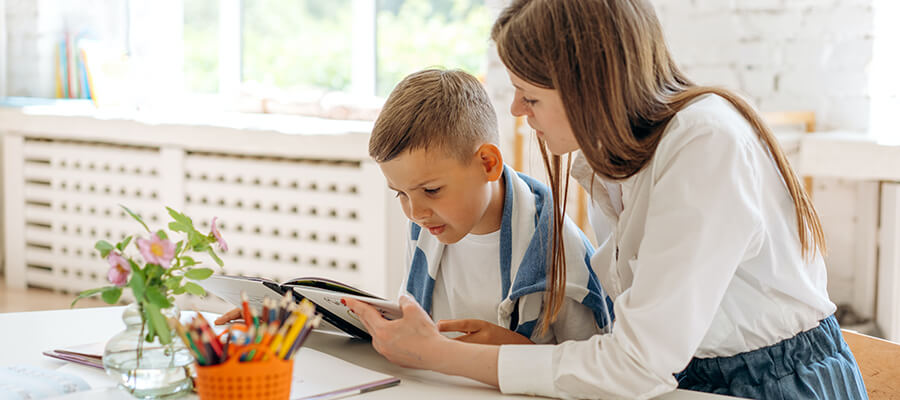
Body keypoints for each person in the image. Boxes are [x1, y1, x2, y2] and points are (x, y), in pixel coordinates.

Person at [343, 0, 869, 399]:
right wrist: (516, 354)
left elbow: (637, 364)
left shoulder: (705, 145)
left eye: (532, 95)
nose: (519, 110)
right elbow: (637, 346)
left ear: (589, 85)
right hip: (685, 378)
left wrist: (440, 355)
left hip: (768, 385)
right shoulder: (609, 163)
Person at [219, 68, 614, 347]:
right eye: (401, 194)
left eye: (431, 189)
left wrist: (518, 353)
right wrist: (293, 320)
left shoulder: (559, 249)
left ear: (488, 164)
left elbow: (597, 368)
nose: (415, 212)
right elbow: (414, 331)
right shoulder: (431, 226)